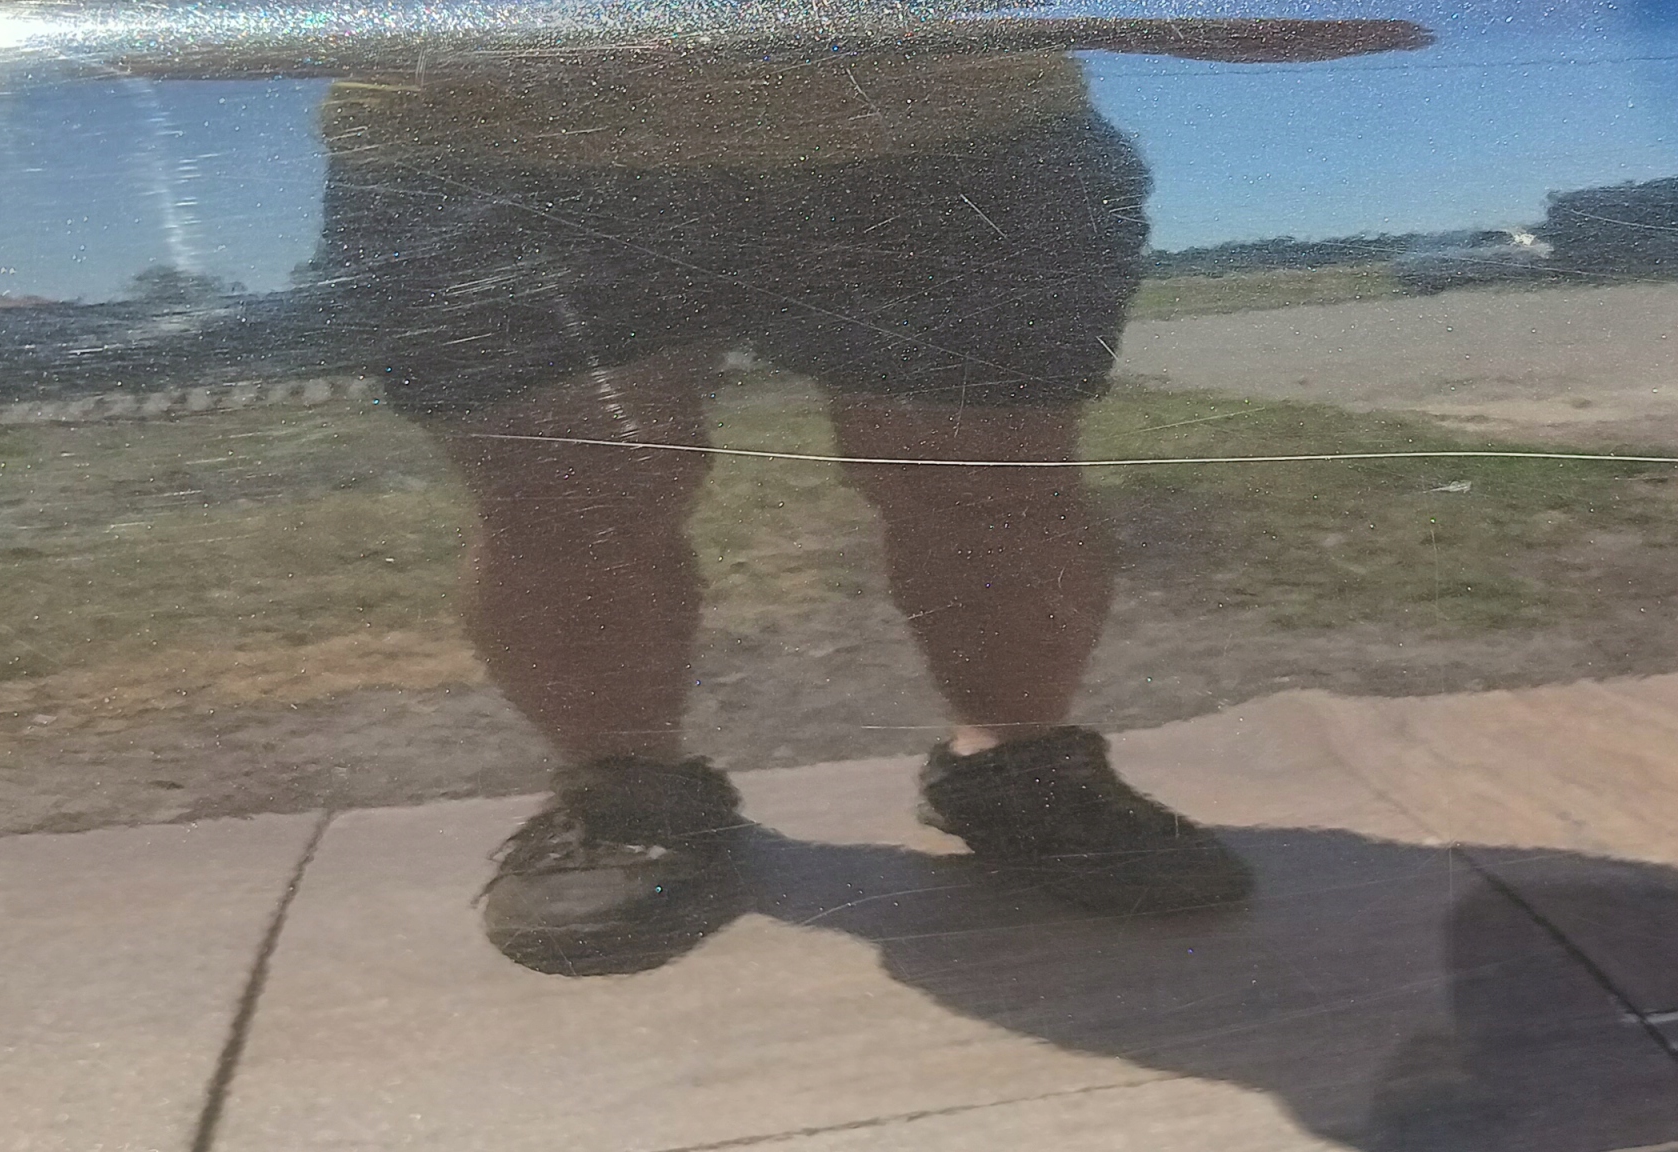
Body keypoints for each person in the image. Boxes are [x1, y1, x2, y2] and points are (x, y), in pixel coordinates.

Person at [314, 44, 1252, 974]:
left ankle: (1019, 767)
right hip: (486, 121)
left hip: (949, 109)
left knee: (990, 480)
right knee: (564, 496)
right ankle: (622, 795)